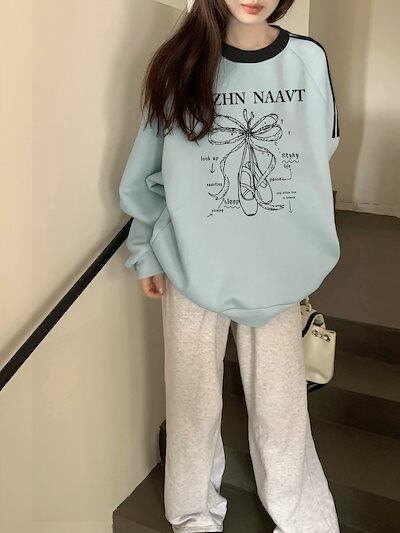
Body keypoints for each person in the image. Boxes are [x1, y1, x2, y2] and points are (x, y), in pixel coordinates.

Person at [118, 1, 341, 532]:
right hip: (191, 263)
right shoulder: (179, 64)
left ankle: (302, 514)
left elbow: (317, 154)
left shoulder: (308, 60)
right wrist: (145, 248)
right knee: (192, 403)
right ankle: (193, 513)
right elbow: (150, 168)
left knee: (282, 406)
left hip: (275, 267)